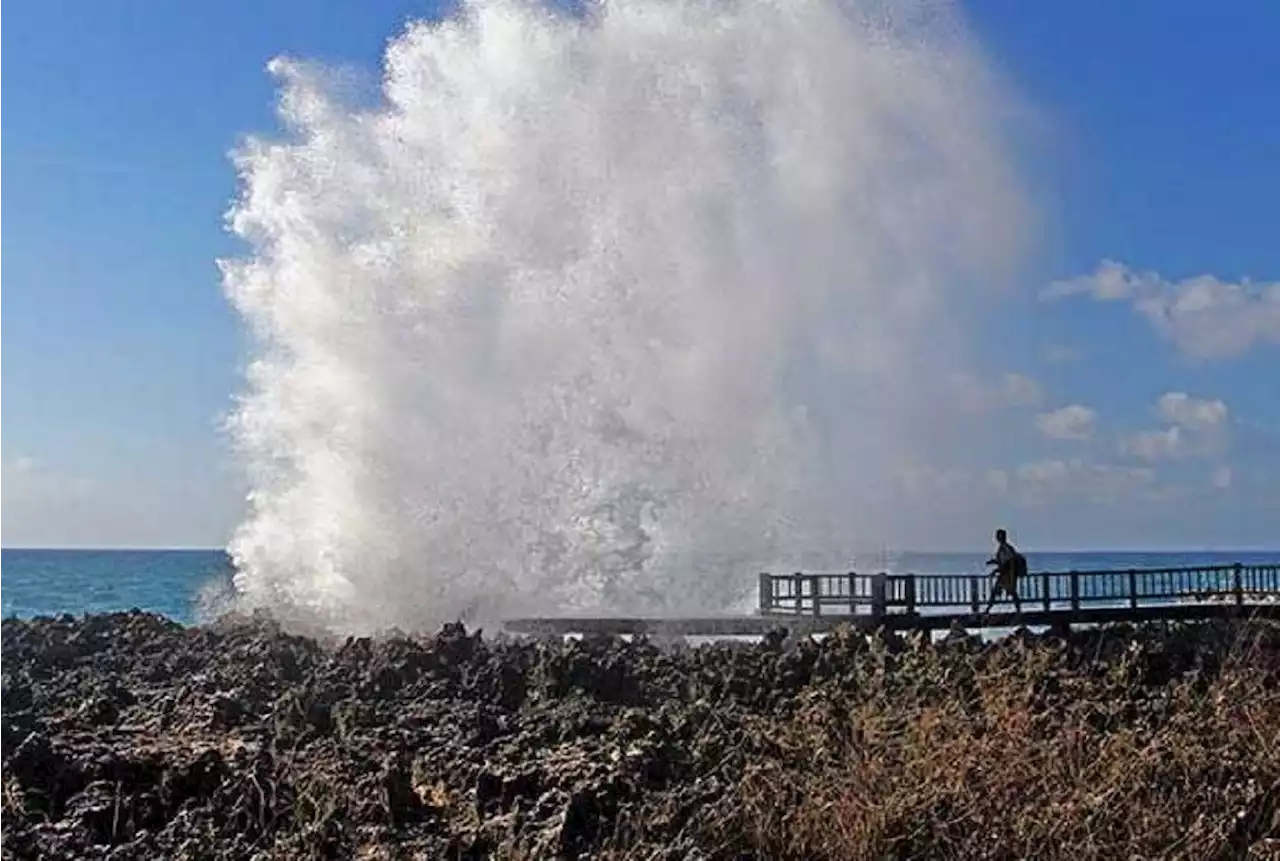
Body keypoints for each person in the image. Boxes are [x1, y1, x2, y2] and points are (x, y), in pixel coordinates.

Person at [983, 528, 1026, 614]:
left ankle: (988, 610)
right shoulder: (1003, 548)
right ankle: (988, 609)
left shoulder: (1005, 548)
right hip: (1006, 575)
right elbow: (1003, 561)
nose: (998, 538)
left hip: (1007, 575)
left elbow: (1008, 562)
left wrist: (996, 570)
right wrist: (994, 562)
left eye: (999, 536)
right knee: (1001, 592)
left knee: (1004, 592)